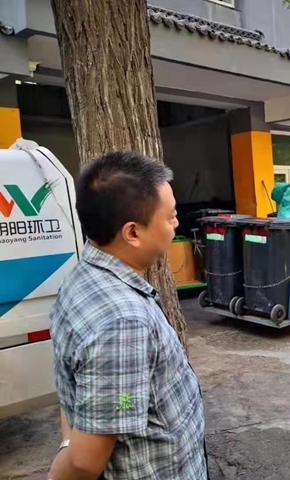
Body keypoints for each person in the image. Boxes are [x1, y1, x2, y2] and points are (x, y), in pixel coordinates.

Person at [47, 151, 208, 480]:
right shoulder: (123, 323)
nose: (176, 224)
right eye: (171, 217)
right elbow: (83, 462)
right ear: (132, 232)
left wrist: (68, 439)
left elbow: (74, 394)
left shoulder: (83, 275)